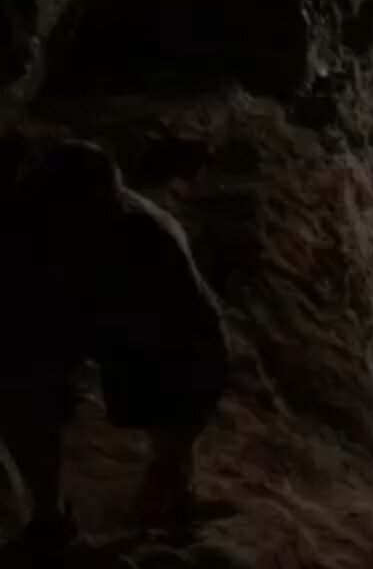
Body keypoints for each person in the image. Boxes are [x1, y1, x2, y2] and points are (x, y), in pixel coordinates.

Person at [0, 139, 229, 555]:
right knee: (19, 381)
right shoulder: (20, 233)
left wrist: (171, 455)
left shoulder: (151, 244)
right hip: (57, 305)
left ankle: (174, 496)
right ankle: (48, 517)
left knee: (167, 389)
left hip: (125, 316)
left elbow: (202, 354)